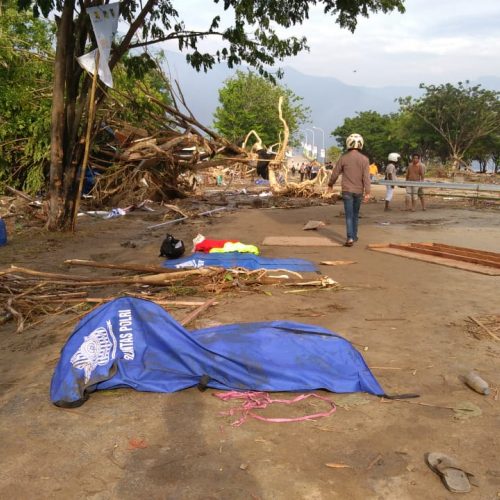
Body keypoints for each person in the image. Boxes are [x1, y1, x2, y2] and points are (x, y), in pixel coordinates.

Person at [327, 133, 371, 247]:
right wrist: (368, 192)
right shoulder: (365, 159)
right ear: (361, 144)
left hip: (347, 191)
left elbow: (335, 173)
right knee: (355, 214)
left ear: (348, 143)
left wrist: (330, 184)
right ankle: (354, 236)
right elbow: (366, 178)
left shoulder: (344, 158)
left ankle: (350, 237)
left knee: (349, 215)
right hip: (359, 191)